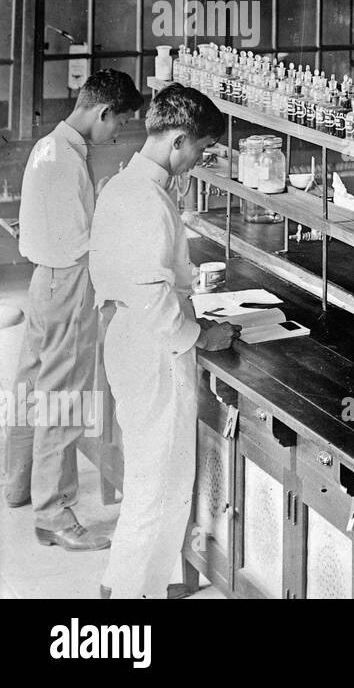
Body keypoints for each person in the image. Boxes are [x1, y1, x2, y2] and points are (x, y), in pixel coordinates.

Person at [90, 84, 238, 598]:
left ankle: (137, 585)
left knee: (154, 477)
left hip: (131, 339)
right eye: (200, 149)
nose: (200, 160)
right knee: (157, 484)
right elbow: (153, 296)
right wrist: (201, 336)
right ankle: (128, 596)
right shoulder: (145, 200)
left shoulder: (126, 185)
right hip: (151, 348)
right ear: (178, 141)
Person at [5, 70, 143, 551]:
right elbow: (80, 243)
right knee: (63, 399)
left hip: (43, 278)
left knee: (30, 386)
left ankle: (18, 483)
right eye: (119, 123)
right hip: (67, 283)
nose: (117, 133)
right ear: (103, 112)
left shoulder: (49, 147)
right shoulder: (66, 160)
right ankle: (54, 514)